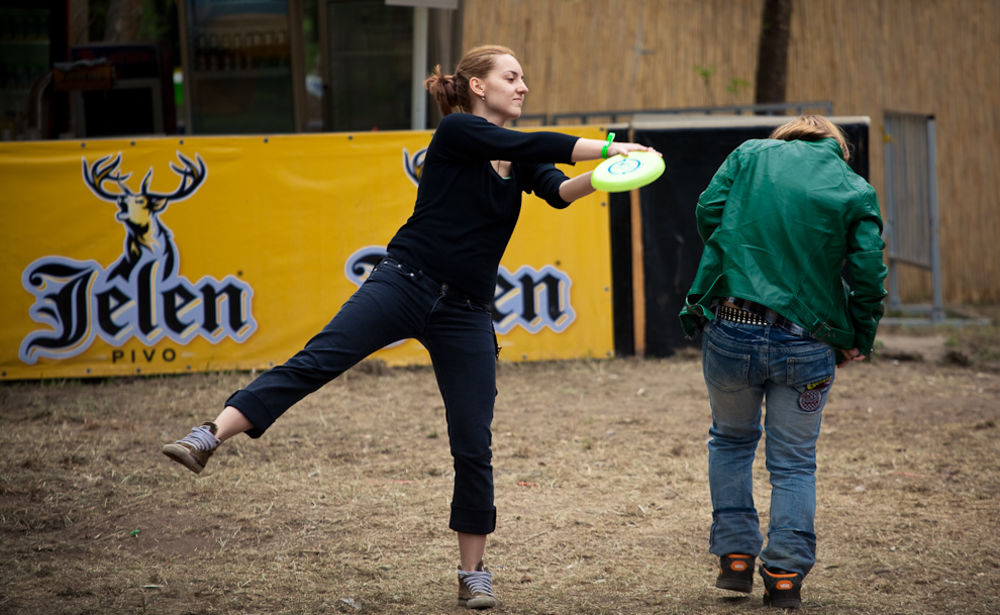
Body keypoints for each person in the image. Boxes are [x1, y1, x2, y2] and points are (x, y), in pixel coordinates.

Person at [162, 44, 658, 610]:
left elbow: (558, 191)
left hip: (466, 309)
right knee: (317, 361)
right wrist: (613, 143)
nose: (523, 87)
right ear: (477, 86)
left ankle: (473, 574)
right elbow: (529, 143)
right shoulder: (457, 134)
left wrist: (613, 175)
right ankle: (209, 435)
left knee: (473, 441)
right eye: (512, 77)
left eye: (525, 78)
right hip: (405, 281)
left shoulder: (515, 157)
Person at [678, 115, 887, 609]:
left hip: (732, 327)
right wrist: (861, 336)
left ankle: (734, 558)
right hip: (809, 342)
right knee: (794, 463)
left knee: (729, 441)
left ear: (786, 136)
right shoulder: (854, 188)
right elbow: (868, 272)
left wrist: (741, 255)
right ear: (836, 147)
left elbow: (709, 211)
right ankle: (785, 574)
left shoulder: (750, 155)